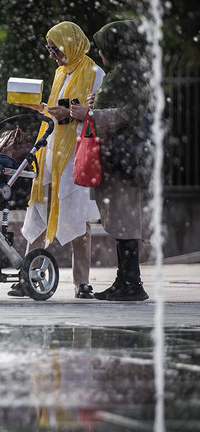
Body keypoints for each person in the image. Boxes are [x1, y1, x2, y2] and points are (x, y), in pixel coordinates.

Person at [9, 21, 105, 299]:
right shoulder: (60, 73)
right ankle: (28, 276)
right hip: (51, 152)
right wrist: (37, 107)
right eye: (49, 49)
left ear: (71, 45)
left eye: (56, 49)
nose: (52, 55)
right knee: (39, 212)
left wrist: (74, 114)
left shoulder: (95, 73)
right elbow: (55, 112)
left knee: (77, 216)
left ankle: (82, 283)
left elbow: (99, 115)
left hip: (76, 154)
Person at [70, 20, 151, 302]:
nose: (100, 53)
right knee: (120, 219)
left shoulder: (128, 74)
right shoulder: (126, 73)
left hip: (124, 158)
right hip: (121, 157)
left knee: (126, 219)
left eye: (104, 48)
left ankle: (132, 283)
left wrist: (89, 115)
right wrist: (95, 104)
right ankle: (124, 280)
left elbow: (130, 114)